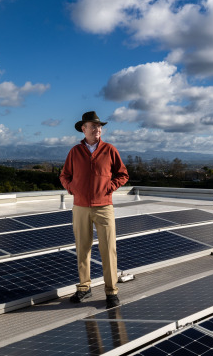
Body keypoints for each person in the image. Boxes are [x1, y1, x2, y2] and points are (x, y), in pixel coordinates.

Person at [60, 111, 129, 309]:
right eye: (93, 126)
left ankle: (111, 291)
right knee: (82, 249)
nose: (97, 129)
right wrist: (73, 189)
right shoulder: (75, 151)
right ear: (83, 129)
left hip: (104, 207)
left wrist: (109, 187)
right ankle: (84, 288)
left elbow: (123, 174)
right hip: (80, 207)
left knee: (108, 249)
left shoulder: (109, 150)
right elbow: (64, 175)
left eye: (99, 126)